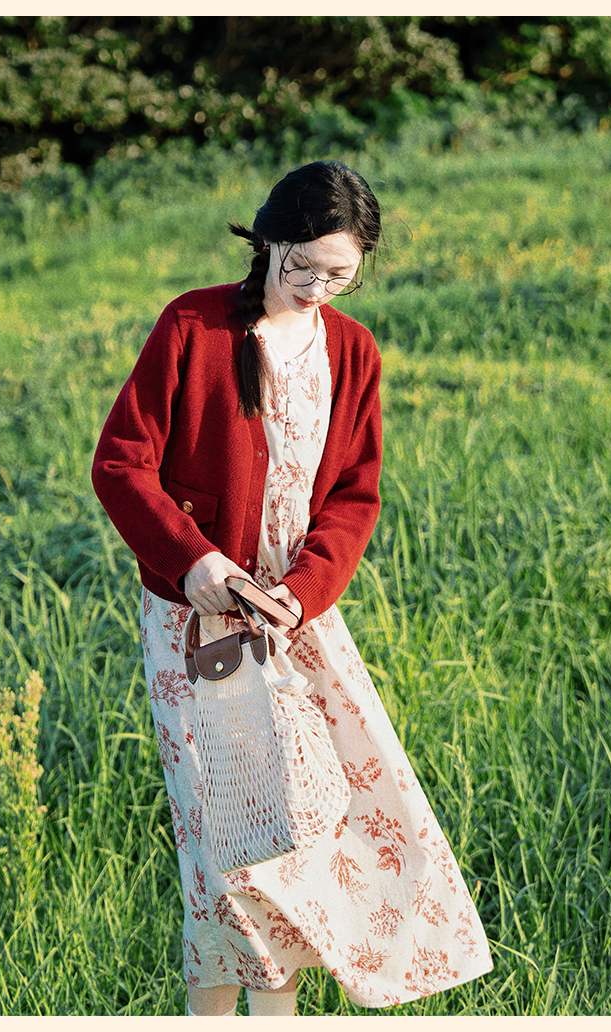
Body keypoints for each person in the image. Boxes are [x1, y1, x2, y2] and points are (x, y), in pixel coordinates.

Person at [92, 160, 492, 1016]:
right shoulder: (194, 326)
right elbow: (122, 464)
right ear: (268, 240)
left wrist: (303, 593)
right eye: (302, 265)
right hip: (201, 630)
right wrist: (196, 563)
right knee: (228, 847)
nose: (316, 288)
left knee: (326, 831)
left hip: (299, 621)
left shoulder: (353, 351)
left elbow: (354, 494)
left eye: (339, 275)